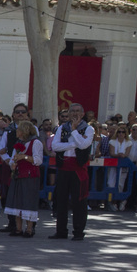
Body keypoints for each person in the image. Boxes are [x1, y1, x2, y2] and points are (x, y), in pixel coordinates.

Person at [49, 103, 94, 240]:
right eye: (72, 111)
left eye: (77, 111)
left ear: (82, 113)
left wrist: (74, 131)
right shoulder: (62, 128)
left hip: (78, 169)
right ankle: (61, 231)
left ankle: (79, 232)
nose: (74, 114)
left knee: (79, 201)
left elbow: (84, 145)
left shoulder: (88, 129)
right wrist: (73, 144)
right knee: (61, 201)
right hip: (63, 168)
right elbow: (55, 146)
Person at [3, 120, 43, 237]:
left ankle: (29, 229)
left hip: (30, 176)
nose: (17, 131)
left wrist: (24, 157)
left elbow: (38, 160)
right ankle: (18, 228)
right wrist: (13, 164)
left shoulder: (35, 143)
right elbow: (12, 159)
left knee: (28, 202)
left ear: (24, 130)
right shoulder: (19, 143)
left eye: (19, 129)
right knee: (17, 202)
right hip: (18, 175)